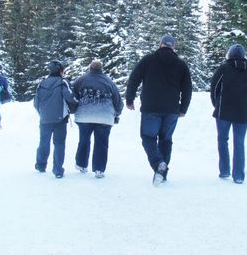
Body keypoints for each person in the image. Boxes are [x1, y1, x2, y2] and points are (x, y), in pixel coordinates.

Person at [126, 34, 192, 186]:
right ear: (173, 47)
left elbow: (134, 79)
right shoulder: (181, 65)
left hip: (151, 107)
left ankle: (159, 164)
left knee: (148, 138)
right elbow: (187, 88)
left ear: (160, 44)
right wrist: (183, 108)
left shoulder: (148, 60)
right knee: (166, 140)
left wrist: (130, 99)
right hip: (172, 109)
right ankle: (162, 173)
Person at [210, 44, 247, 184]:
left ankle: (224, 170)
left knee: (222, 140)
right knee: (239, 143)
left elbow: (214, 87)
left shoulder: (223, 68)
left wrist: (217, 103)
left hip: (223, 111)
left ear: (229, 54)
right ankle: (238, 176)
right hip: (243, 113)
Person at [72, 60, 123, 178]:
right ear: (101, 69)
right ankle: (99, 169)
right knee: (102, 143)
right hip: (104, 117)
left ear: (90, 68)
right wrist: (116, 114)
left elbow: (72, 95)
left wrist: (74, 109)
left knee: (84, 140)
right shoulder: (109, 81)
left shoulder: (81, 79)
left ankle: (81, 164)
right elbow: (118, 101)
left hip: (84, 116)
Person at [33, 60, 78, 178]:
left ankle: (41, 165)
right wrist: (77, 104)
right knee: (59, 143)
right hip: (60, 119)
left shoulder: (42, 83)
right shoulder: (63, 82)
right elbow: (71, 97)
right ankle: (57, 170)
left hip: (44, 119)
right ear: (60, 70)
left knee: (44, 142)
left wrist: (41, 113)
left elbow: (36, 102)